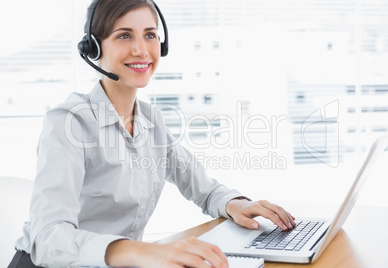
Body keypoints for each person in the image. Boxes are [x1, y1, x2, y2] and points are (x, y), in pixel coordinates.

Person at [8, 0, 296, 267]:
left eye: (150, 35)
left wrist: (237, 205)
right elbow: (48, 238)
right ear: (94, 49)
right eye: (124, 36)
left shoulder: (151, 122)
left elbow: (204, 189)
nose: (141, 50)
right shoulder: (70, 122)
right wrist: (147, 251)